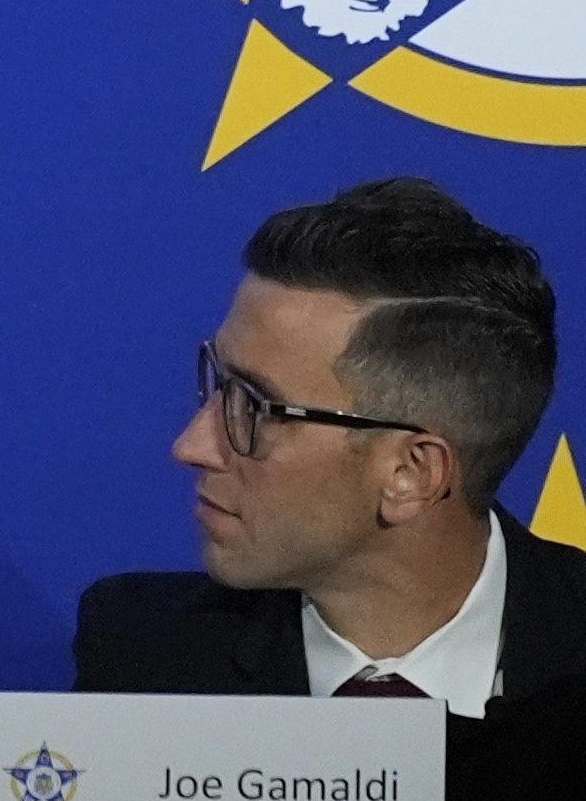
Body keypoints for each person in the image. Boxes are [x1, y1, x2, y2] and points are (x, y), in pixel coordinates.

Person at [75, 176, 586, 709]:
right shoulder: (145, 657)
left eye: (255, 407)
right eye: (218, 384)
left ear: (410, 473)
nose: (191, 446)